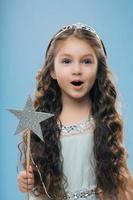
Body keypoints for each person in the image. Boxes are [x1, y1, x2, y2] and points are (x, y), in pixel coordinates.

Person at [17, 22, 133, 200]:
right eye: (66, 61)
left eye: (86, 61)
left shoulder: (105, 119)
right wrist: (28, 181)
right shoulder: (41, 125)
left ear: (98, 69)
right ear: (53, 71)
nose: (77, 70)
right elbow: (39, 185)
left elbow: (120, 180)